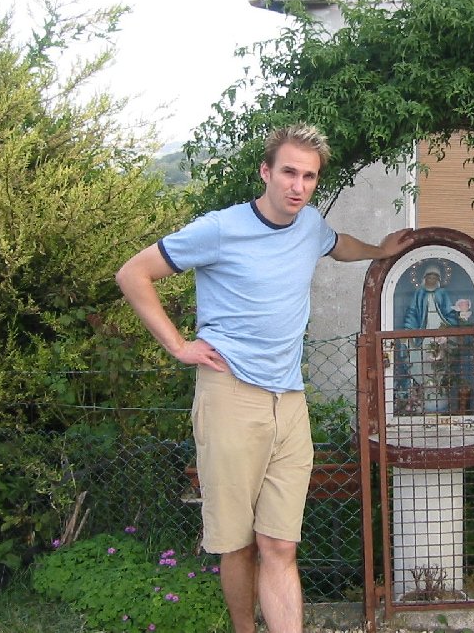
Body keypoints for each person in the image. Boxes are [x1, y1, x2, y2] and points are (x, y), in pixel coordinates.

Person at [115, 123, 414, 633]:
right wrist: (179, 346)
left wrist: (380, 251)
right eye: (289, 173)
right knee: (237, 543)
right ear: (265, 172)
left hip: (289, 401)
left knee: (279, 543)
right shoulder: (219, 229)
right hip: (230, 394)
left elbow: (337, 244)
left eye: (309, 177)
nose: (298, 186)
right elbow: (132, 273)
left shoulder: (309, 224)